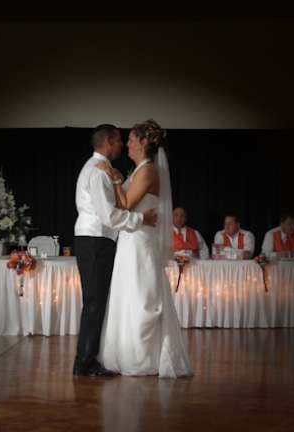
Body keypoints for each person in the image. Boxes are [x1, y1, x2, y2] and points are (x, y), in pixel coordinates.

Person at [96, 119, 193, 378]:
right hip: (131, 238)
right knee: (128, 292)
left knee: (141, 295)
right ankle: (126, 351)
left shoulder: (148, 171)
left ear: (143, 143)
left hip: (140, 242)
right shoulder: (139, 169)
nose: (126, 143)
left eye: (130, 139)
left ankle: (143, 357)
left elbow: (126, 204)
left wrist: (116, 181)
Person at [73, 124, 158, 377]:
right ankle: (85, 362)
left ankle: (87, 360)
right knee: (94, 303)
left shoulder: (101, 169)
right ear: (109, 141)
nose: (122, 145)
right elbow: (109, 216)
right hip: (96, 240)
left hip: (94, 239)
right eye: (120, 140)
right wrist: (141, 220)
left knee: (95, 302)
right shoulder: (98, 172)